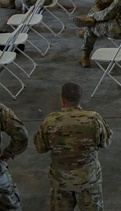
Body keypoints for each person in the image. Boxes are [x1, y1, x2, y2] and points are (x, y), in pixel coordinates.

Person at [34, 81, 113, 211]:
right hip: (88, 179)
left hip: (61, 181)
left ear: (61, 100)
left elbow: (40, 147)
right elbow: (106, 142)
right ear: (81, 98)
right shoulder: (93, 119)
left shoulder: (51, 120)